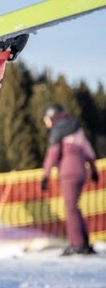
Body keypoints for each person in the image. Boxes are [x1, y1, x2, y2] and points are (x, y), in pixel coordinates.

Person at [41, 104, 99, 255]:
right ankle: (84, 242)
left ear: (52, 117)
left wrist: (45, 175)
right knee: (75, 207)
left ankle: (77, 245)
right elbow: (88, 150)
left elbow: (52, 154)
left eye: (46, 119)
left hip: (68, 174)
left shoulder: (57, 130)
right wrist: (93, 169)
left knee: (70, 209)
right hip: (82, 172)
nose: (45, 123)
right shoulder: (75, 128)